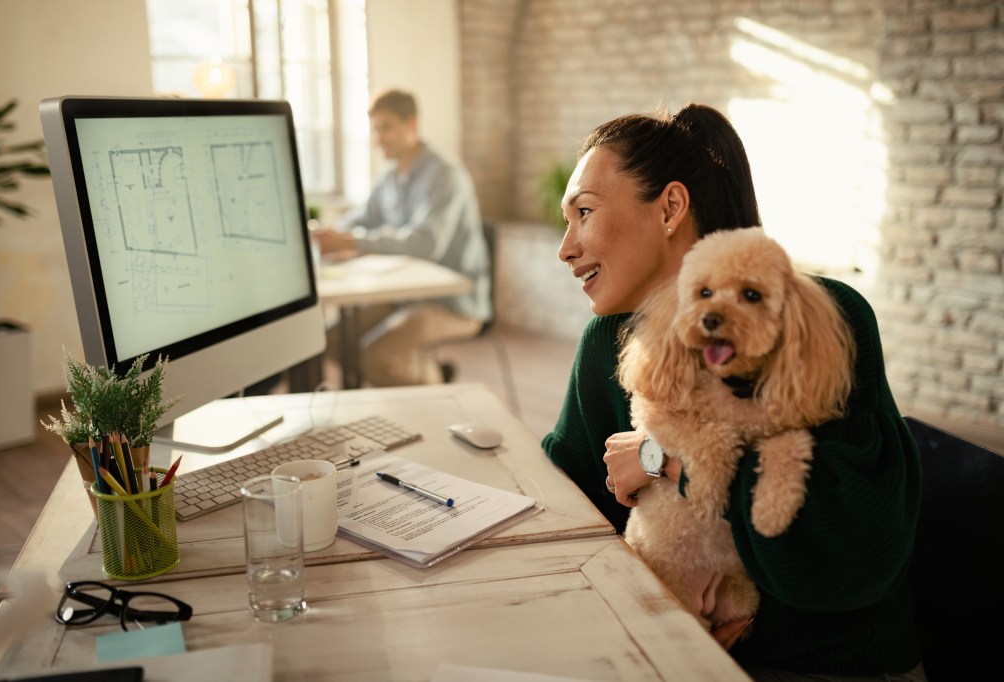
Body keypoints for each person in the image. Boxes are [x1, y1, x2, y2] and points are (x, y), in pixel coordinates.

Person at [541, 105, 926, 681]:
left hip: (829, 664)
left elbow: (851, 557)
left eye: (585, 213)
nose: (566, 248)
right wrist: (658, 619)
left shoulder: (820, 318)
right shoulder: (611, 341)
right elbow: (567, 502)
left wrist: (660, 458)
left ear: (670, 208)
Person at [314, 89, 491, 386]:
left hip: (453, 302)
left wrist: (351, 242)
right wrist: (330, 234)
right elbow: (362, 217)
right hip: (404, 296)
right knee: (331, 340)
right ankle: (410, 382)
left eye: (386, 127)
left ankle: (435, 385)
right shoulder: (389, 175)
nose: (378, 138)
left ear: (412, 124)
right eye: (375, 129)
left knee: (376, 357)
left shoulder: (445, 174)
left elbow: (425, 244)